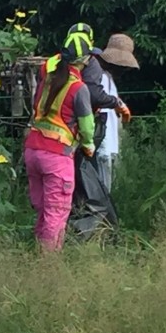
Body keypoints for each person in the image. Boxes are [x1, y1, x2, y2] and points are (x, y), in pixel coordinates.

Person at [24, 32, 96, 250]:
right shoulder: (78, 88)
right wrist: (88, 145)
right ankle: (49, 268)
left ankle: (38, 253)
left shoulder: (48, 78)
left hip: (33, 150)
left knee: (44, 211)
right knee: (56, 214)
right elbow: (87, 126)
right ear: (84, 60)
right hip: (56, 157)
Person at [95, 34, 139, 192]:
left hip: (109, 143)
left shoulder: (108, 77)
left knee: (107, 189)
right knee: (102, 190)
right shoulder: (98, 75)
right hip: (101, 143)